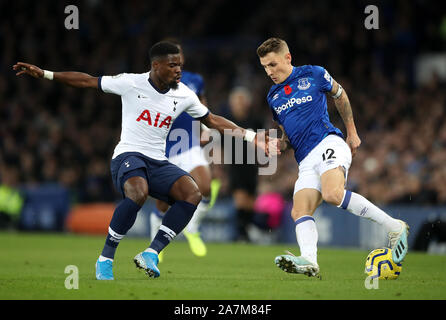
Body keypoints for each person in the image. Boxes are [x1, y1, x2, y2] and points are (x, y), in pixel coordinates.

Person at [14, 41, 279, 280]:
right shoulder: (131, 82)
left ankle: (151, 253)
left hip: (157, 160)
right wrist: (46, 74)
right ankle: (105, 258)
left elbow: (213, 120)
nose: (178, 70)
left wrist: (251, 137)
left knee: (192, 193)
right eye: (173, 65)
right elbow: (87, 81)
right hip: (128, 155)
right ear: (156, 66)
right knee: (138, 192)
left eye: (180, 65)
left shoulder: (184, 93)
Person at [256, 37, 409, 277]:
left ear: (288, 58)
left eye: (273, 64)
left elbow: (340, 94)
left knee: (332, 194)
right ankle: (309, 261)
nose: (269, 71)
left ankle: (395, 227)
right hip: (305, 159)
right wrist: (280, 144)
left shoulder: (314, 74)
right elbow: (288, 134)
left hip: (329, 143)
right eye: (265, 67)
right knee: (299, 211)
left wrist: (352, 131)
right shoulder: (273, 96)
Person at [150, 40, 212, 260]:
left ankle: (192, 227)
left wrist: (205, 128)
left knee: (205, 186)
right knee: (164, 202)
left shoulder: (196, 80)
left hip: (189, 143)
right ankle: (157, 242)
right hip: (164, 147)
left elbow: (202, 104)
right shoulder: (154, 81)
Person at [224, 87, 264, 241]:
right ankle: (241, 233)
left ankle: (245, 231)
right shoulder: (226, 121)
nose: (238, 104)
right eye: (235, 101)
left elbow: (262, 142)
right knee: (240, 199)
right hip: (235, 166)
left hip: (251, 166)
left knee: (250, 202)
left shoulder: (255, 120)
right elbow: (219, 145)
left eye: (241, 100)